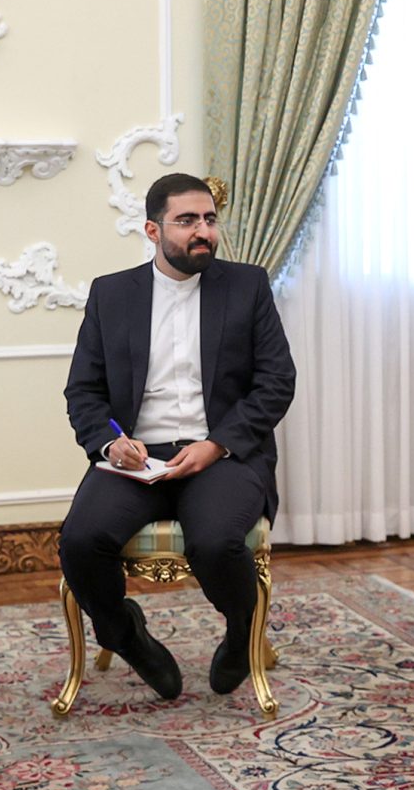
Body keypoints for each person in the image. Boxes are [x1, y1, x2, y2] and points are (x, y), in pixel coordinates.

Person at [59, 173, 296, 700]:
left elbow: (277, 381)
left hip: (223, 454)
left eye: (209, 219)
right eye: (187, 220)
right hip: (137, 458)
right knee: (80, 541)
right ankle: (127, 635)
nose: (202, 231)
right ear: (153, 230)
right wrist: (110, 444)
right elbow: (84, 390)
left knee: (215, 542)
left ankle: (242, 634)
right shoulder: (111, 294)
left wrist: (217, 444)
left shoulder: (248, 286)